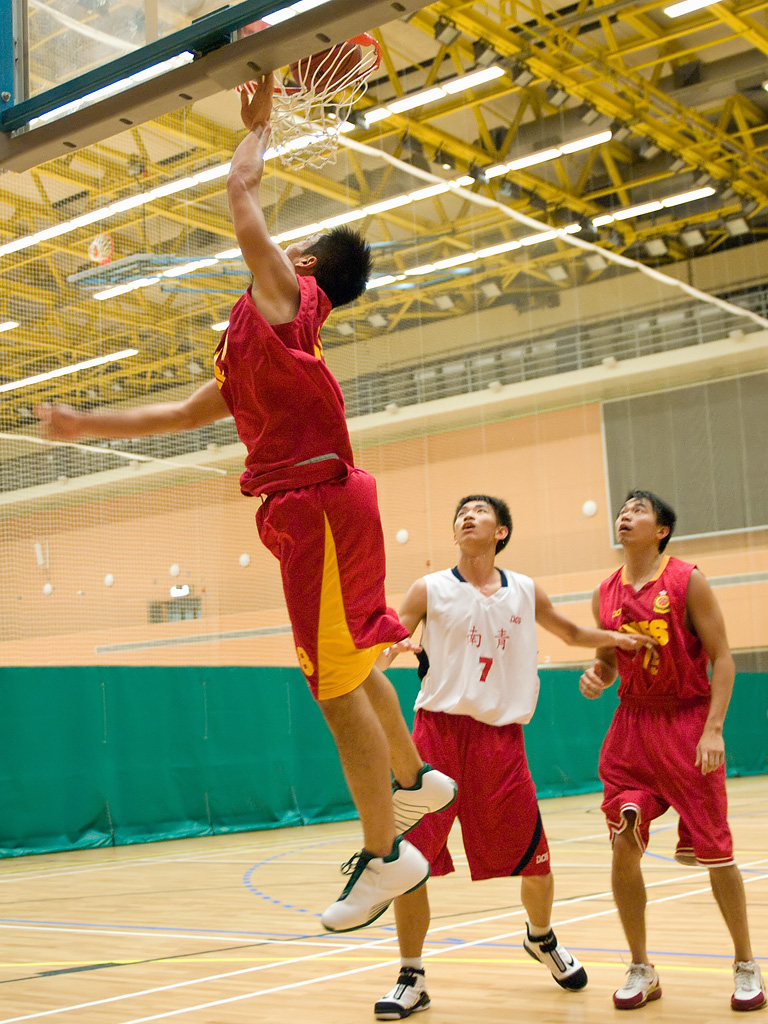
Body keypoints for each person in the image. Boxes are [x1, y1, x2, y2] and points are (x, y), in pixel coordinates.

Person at [35, 74, 456, 934]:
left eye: (293, 246)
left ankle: (387, 854)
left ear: (307, 267)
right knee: (351, 669)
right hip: (316, 510)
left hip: (318, 509)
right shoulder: (250, 342)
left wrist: (260, 127)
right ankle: (417, 781)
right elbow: (179, 416)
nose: (280, 245)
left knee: (333, 691)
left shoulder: (286, 298)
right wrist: (84, 424)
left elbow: (239, 192)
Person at [373, 494, 658, 1020]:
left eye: (479, 511)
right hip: (435, 736)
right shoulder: (428, 588)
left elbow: (570, 632)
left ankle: (541, 936)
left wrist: (617, 638)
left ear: (500, 531)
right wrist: (388, 651)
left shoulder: (524, 589)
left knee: (534, 859)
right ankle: (411, 976)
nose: (467, 516)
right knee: (411, 860)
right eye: (460, 513)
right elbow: (389, 641)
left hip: (500, 741)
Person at [579, 489, 766, 1012]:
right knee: (623, 843)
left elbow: (723, 658)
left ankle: (746, 963)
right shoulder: (604, 593)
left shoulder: (687, 581)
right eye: (623, 510)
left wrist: (714, 729)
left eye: (638, 510)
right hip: (631, 728)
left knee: (717, 853)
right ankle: (641, 967)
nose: (625, 515)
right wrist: (597, 676)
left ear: (661, 530)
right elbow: (608, 661)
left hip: (687, 723)